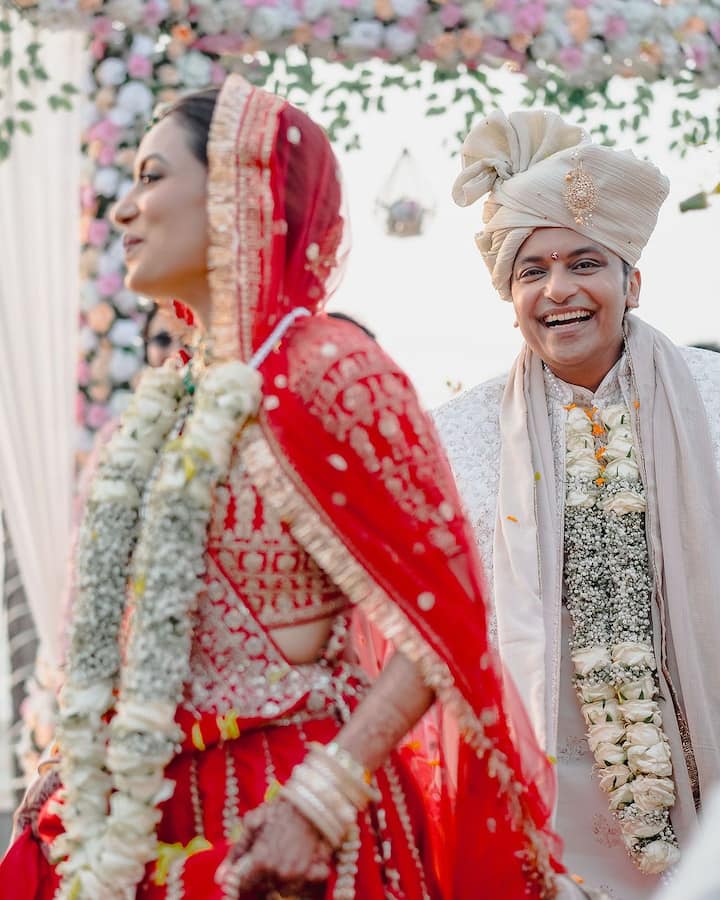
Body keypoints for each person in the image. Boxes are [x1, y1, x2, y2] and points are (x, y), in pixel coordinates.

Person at [0, 78, 573, 900]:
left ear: (239, 184)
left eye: (152, 177)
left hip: (285, 825)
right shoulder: (173, 393)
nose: (123, 210)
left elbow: (440, 622)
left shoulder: (331, 371)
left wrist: (322, 797)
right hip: (140, 814)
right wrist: (71, 761)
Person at [434, 109, 720, 899]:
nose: (558, 290)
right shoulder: (458, 437)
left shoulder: (713, 399)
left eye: (584, 263)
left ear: (632, 281)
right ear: (511, 293)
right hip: (545, 790)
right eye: (531, 271)